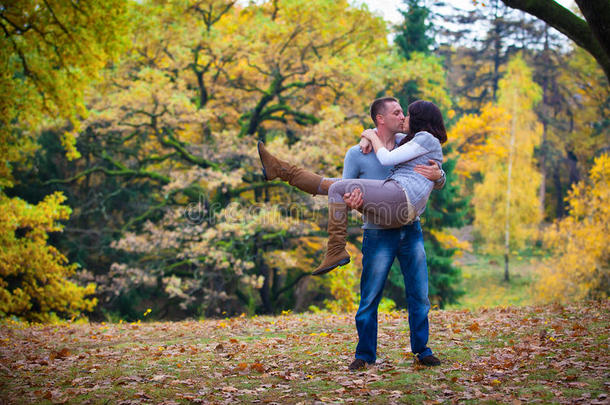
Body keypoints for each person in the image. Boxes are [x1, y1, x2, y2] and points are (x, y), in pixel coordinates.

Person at [257, 97, 445, 368]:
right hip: (378, 231)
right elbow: (345, 192)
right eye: (397, 112)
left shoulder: (409, 142)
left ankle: (422, 350)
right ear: (380, 119)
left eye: (404, 113)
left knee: (419, 294)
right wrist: (353, 203)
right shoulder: (357, 153)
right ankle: (365, 355)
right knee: (369, 298)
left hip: (408, 227)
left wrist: (439, 175)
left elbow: (435, 166)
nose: (402, 116)